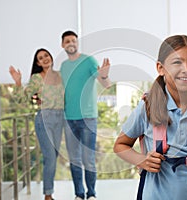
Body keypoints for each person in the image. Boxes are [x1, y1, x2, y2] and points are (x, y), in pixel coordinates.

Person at [113, 35, 187, 200]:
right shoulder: (146, 108)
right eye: (177, 62)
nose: (186, 69)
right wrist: (141, 160)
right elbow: (120, 145)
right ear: (160, 68)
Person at [59, 30, 111, 200]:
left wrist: (105, 74)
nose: (71, 43)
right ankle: (79, 194)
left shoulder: (89, 60)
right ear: (63, 45)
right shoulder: (64, 66)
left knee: (88, 159)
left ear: (77, 43)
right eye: (67, 41)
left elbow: (106, 83)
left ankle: (92, 194)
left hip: (88, 117)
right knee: (74, 160)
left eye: (73, 40)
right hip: (69, 118)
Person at [9, 48, 64, 200]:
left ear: (51, 57)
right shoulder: (36, 78)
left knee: (54, 156)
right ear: (38, 63)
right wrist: (18, 82)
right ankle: (48, 195)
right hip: (44, 119)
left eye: (46, 55)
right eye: (41, 58)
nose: (45, 59)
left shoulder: (61, 76)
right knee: (50, 158)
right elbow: (22, 99)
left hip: (60, 119)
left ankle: (49, 192)